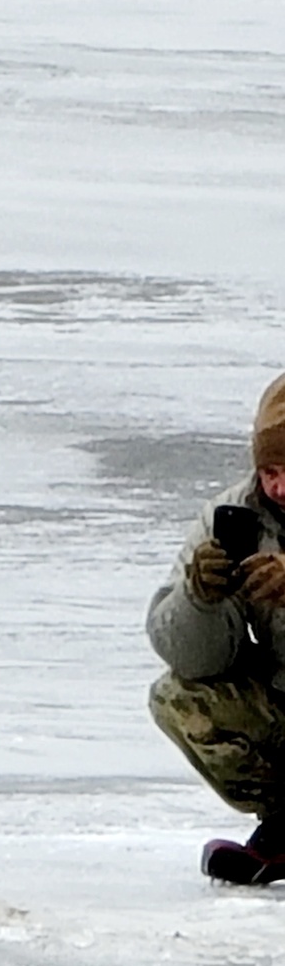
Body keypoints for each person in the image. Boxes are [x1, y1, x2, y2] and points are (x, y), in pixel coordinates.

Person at [147, 372, 285, 884]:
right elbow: (190, 659)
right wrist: (201, 599)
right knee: (178, 698)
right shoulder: (233, 513)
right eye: (270, 470)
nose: (279, 487)